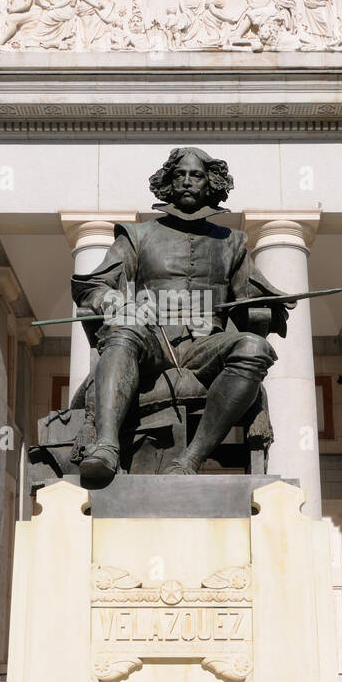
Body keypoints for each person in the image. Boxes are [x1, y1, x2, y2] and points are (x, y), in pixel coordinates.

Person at [71, 148, 293, 486]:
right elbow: (93, 287)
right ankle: (107, 448)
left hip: (207, 344)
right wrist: (114, 299)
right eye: (180, 175)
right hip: (150, 340)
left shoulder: (232, 242)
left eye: (197, 175)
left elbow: (256, 301)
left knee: (252, 348)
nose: (188, 181)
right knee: (124, 329)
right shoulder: (137, 236)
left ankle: (189, 460)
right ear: (169, 183)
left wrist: (266, 304)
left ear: (210, 184)